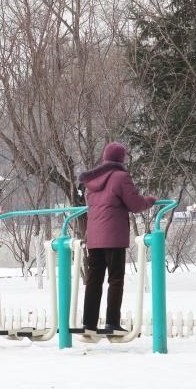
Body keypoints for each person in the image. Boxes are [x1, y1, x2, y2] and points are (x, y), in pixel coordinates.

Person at [78, 142, 156, 333]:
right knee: (115, 279)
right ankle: (112, 322)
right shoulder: (121, 177)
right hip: (113, 237)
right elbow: (135, 204)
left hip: (94, 238)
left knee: (94, 280)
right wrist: (151, 200)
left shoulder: (92, 181)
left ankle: (89, 323)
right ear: (120, 158)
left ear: (105, 157)